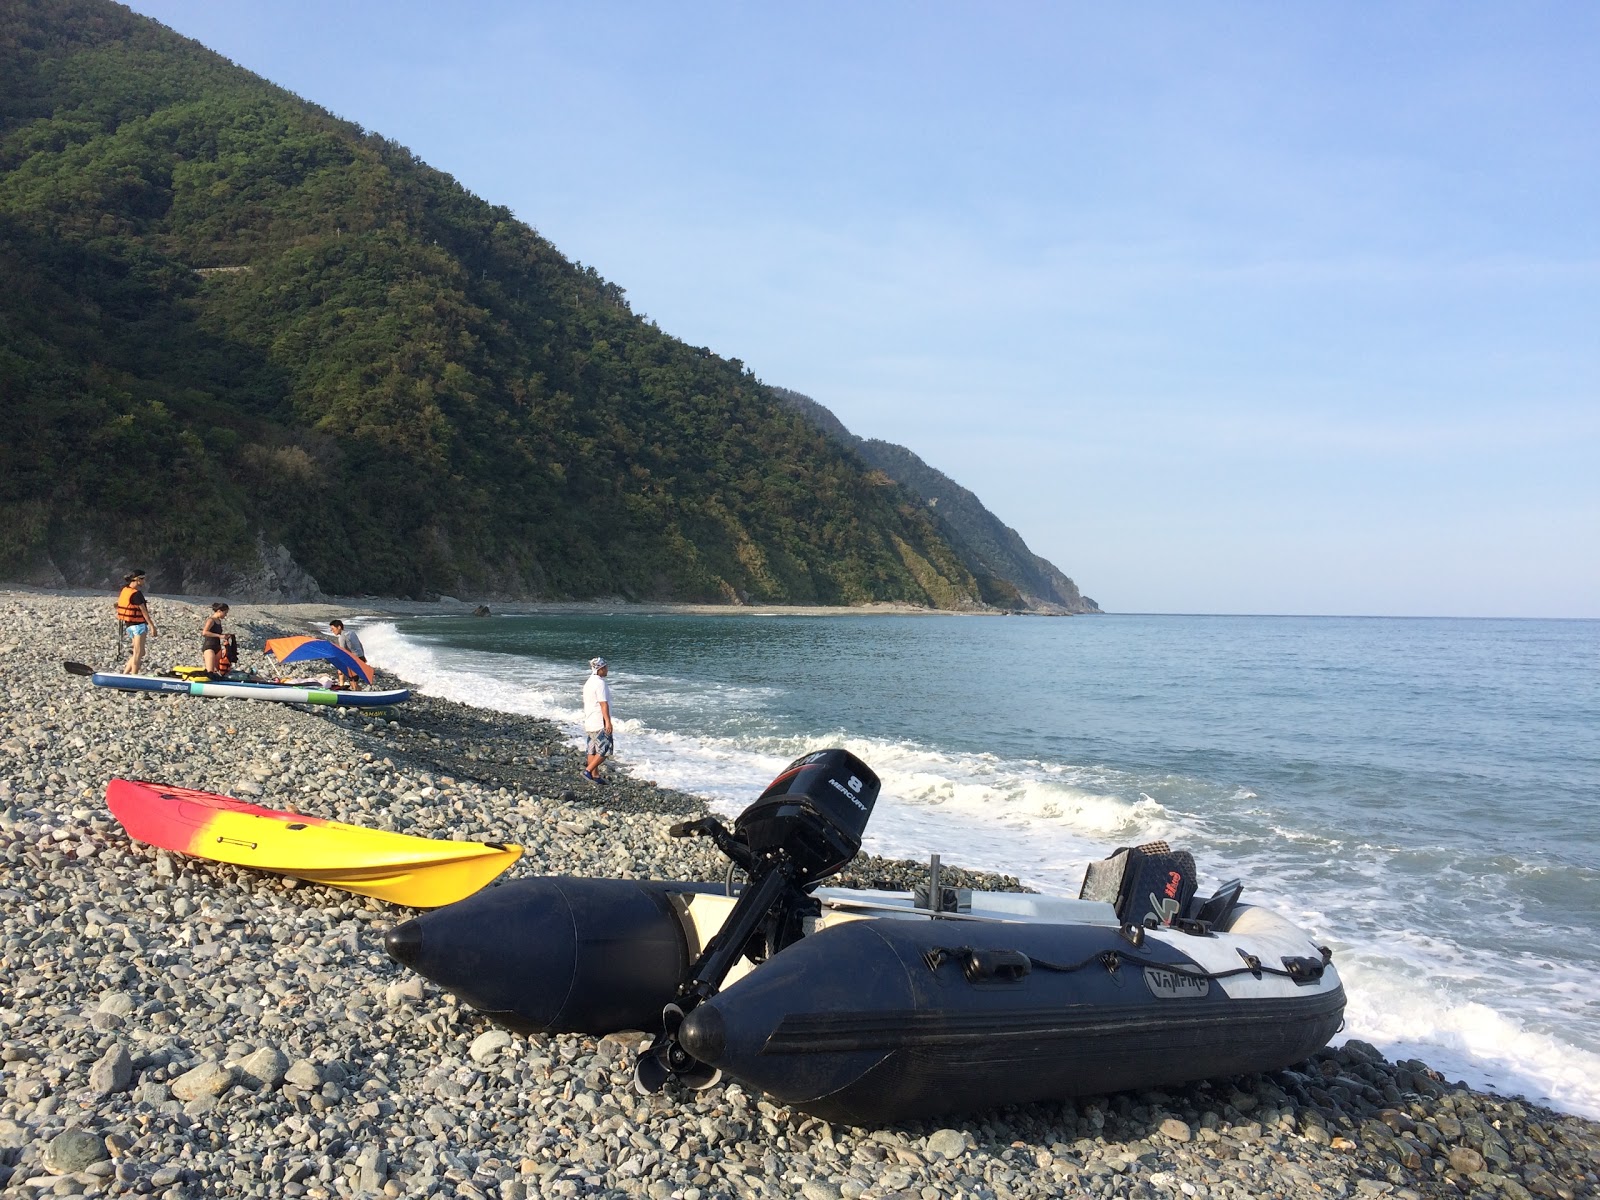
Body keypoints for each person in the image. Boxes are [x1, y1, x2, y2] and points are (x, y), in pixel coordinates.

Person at [115, 571, 156, 674]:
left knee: (140, 652)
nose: (144, 581)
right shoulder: (136, 594)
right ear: (137, 579)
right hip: (138, 626)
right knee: (138, 653)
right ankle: (134, 675)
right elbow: (144, 612)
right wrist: (152, 626)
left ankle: (124, 674)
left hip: (129, 626)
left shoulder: (125, 590)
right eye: (142, 579)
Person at [582, 656, 614, 784]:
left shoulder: (589, 682)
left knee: (592, 750)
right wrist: (608, 722)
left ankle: (595, 776)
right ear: (599, 669)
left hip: (589, 721)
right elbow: (603, 704)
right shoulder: (600, 683)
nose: (607, 669)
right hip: (599, 721)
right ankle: (588, 771)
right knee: (605, 749)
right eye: (605, 667)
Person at [328, 619, 367, 686]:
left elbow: (343, 652)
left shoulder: (341, 637)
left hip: (354, 659)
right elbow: (360, 645)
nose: (332, 631)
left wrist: (341, 666)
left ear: (339, 627)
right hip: (361, 657)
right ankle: (352, 689)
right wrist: (363, 656)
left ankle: (342, 686)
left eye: (333, 629)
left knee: (350, 677)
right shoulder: (352, 633)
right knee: (354, 679)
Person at [200, 602, 229, 676]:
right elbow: (204, 632)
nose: (225, 615)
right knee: (210, 671)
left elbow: (217, 634)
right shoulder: (211, 620)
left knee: (219, 670)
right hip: (209, 647)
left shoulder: (219, 621)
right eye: (225, 613)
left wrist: (224, 636)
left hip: (217, 647)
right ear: (219, 611)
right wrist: (219, 636)